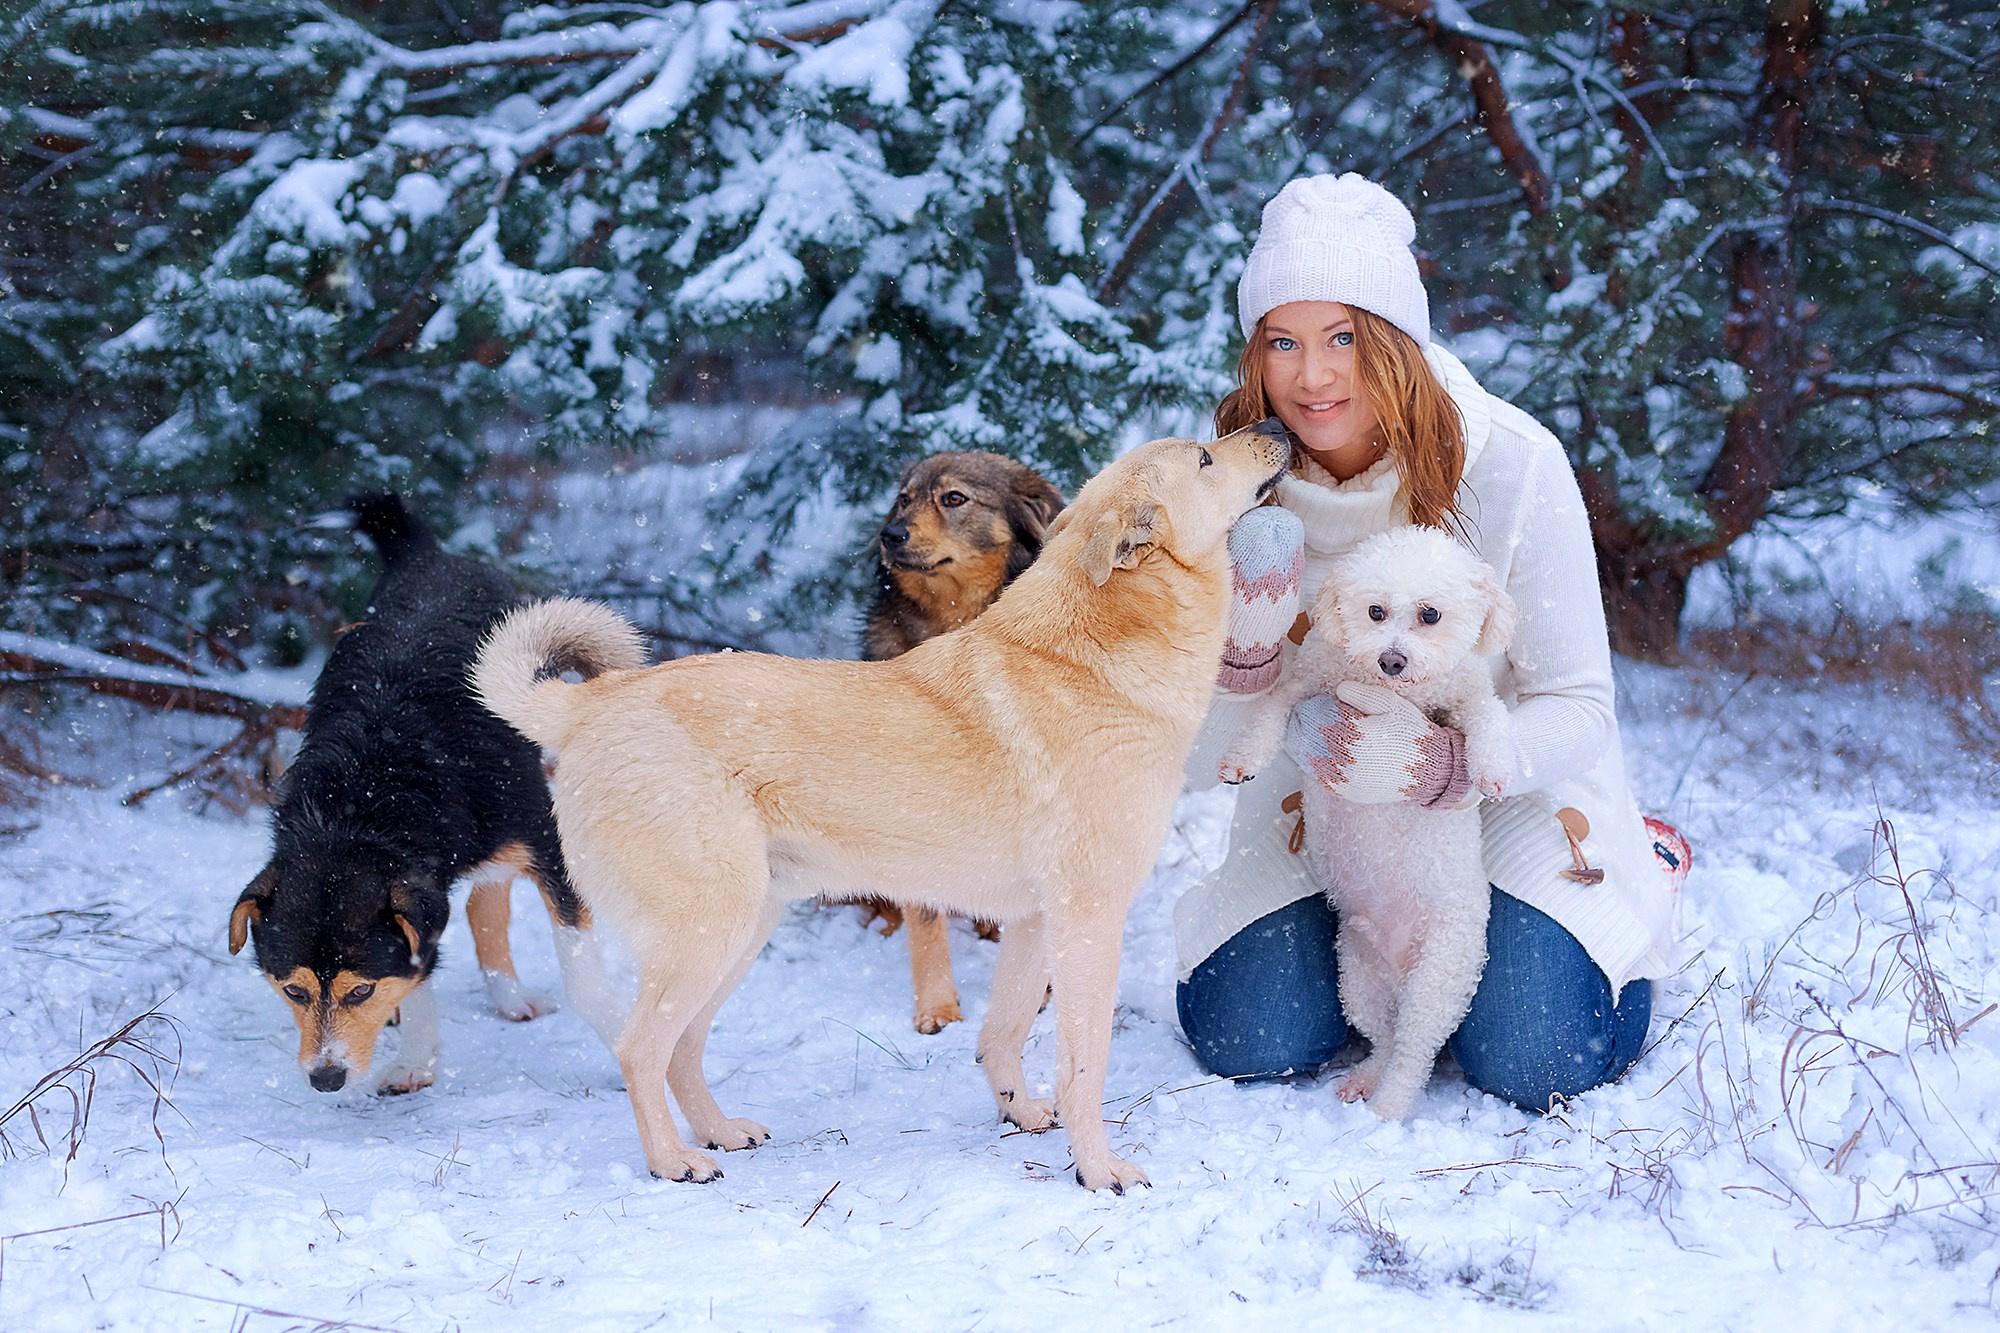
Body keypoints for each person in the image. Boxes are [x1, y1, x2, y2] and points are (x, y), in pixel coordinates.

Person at [1174, 173, 1680, 1112]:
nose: (1313, 376)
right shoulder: (1235, 489)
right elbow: (1204, 757)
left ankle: (1639, 872)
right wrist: (1253, 674)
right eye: (1282, 341)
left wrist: (1453, 763)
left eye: (1345, 339)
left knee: (1536, 1057)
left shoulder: (1514, 464)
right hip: (1330, 799)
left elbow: (1579, 700)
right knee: (1249, 1033)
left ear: (1398, 343)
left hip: (1500, 783)